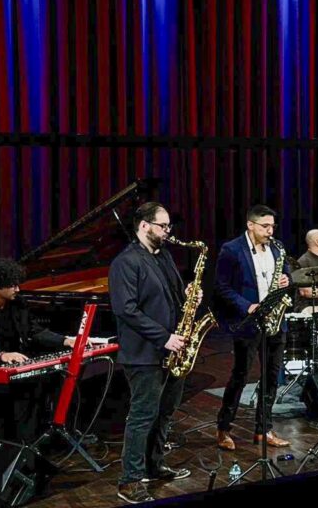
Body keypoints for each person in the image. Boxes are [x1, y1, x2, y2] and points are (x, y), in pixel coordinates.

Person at [109, 202, 192, 504]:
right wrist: (165, 337)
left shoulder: (164, 256)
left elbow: (176, 295)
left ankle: (154, 466)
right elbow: (126, 310)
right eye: (163, 225)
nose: (168, 231)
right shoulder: (125, 262)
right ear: (144, 225)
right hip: (144, 353)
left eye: (169, 226)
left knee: (165, 412)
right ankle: (129, 481)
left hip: (172, 349)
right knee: (142, 416)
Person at [0, 257, 75, 444]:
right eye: (12, 285)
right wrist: (1, 355)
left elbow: (34, 331)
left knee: (53, 379)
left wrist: (66, 340)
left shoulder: (17, 305)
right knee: (27, 390)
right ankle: (20, 443)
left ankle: (37, 439)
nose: (17, 289)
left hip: (13, 368)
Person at [214, 205, 294, 451]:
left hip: (275, 320)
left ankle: (264, 429)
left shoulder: (277, 247)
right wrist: (246, 306)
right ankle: (224, 427)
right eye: (265, 226)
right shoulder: (231, 249)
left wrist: (287, 280)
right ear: (250, 225)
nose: (270, 231)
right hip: (248, 321)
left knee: (271, 377)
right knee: (240, 375)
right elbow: (221, 286)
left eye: (272, 226)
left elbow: (289, 276)